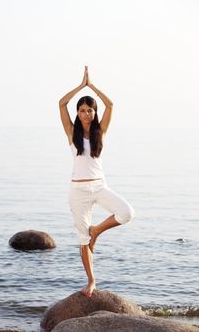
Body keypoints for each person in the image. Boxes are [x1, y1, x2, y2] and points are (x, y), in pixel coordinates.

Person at [59, 66, 134, 298]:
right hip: (78, 191)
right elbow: (61, 104)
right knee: (83, 239)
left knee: (127, 213)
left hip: (100, 186)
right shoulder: (71, 132)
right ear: (78, 113)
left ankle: (97, 231)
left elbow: (110, 105)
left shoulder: (101, 132)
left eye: (89, 110)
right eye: (81, 110)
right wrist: (81, 86)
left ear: (94, 112)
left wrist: (92, 86)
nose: (85, 114)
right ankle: (91, 281)